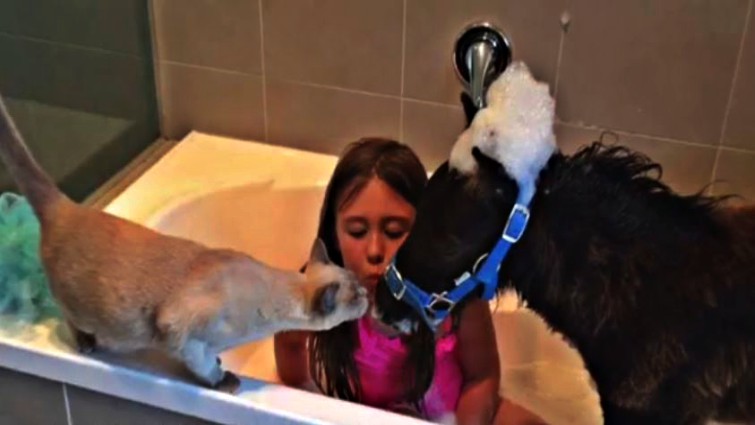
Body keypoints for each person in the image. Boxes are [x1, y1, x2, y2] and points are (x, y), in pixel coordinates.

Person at [274, 137, 544, 424]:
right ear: (335, 236)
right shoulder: (322, 289)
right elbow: (288, 342)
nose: (375, 251)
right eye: (357, 232)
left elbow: (482, 377)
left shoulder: (456, 295)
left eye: (394, 232)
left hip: (450, 414)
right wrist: (307, 403)